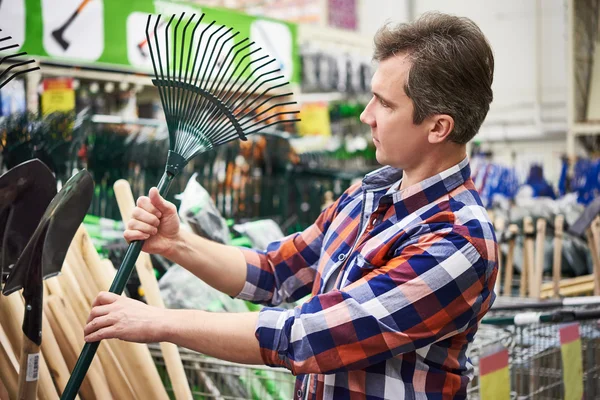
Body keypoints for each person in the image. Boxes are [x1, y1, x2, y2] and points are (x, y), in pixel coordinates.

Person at [84, 12, 497, 400]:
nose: (367, 115)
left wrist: (158, 321)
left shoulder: (457, 241)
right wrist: (178, 244)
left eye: (385, 104)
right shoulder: (367, 196)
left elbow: (305, 337)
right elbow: (273, 273)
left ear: (438, 126)